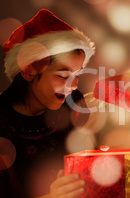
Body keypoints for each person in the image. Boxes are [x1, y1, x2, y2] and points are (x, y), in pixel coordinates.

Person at [0, 9, 95, 197]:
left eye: (77, 75)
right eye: (63, 75)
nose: (74, 86)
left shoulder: (74, 105)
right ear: (28, 71)